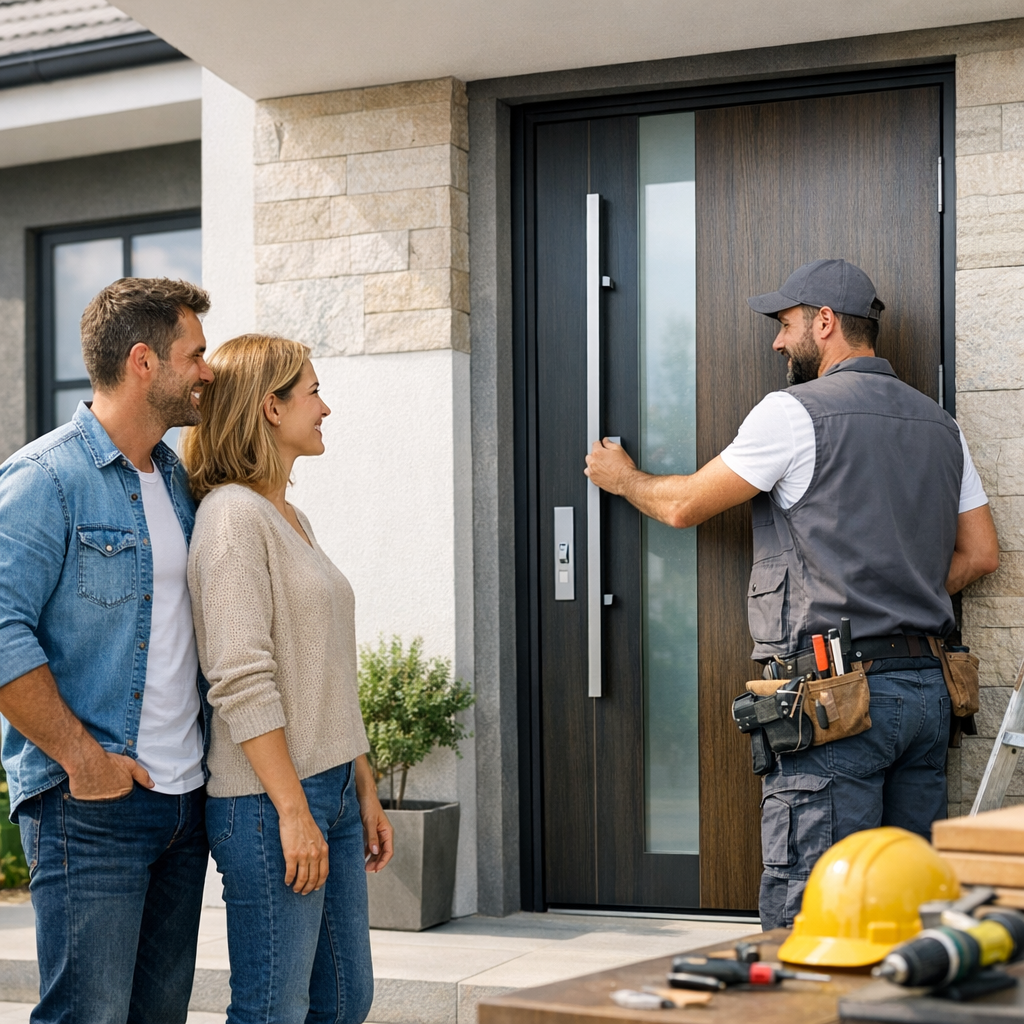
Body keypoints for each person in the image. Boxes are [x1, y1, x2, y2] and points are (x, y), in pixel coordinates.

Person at [585, 259, 1000, 929]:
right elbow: (981, 554)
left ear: (826, 324)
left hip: (836, 698)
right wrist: (904, 584)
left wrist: (623, 477)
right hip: (927, 690)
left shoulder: (793, 413)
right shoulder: (939, 425)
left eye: (785, 325)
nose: (778, 343)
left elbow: (686, 504)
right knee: (904, 907)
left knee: (813, 911)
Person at [0, 278, 214, 1023]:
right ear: (145, 362)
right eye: (197, 353)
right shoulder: (45, 478)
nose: (208, 371)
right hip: (91, 809)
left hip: (183, 805)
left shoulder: (179, 479)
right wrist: (83, 762)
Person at [182, 334, 393, 1024]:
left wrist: (362, 782)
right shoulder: (232, 518)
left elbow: (327, 665)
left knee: (344, 999)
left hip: (326, 786)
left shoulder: (290, 517)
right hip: (270, 801)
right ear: (271, 408)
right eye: (312, 392)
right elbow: (240, 679)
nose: (325, 407)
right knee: (274, 1008)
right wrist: (295, 811)